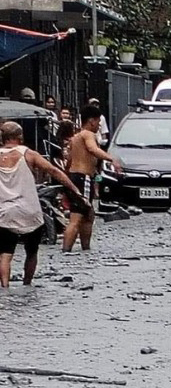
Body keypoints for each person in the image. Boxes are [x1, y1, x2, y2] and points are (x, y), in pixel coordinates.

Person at [0, 121, 82, 288]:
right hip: (29, 212)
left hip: (4, 213)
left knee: (5, 254)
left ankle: (5, 288)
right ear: (20, 137)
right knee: (32, 252)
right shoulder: (29, 154)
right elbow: (54, 171)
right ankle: (27, 284)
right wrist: (75, 190)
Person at [63, 104, 121, 252]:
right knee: (77, 217)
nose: (99, 125)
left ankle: (85, 249)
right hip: (83, 178)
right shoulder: (88, 135)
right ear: (91, 121)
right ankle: (67, 250)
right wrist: (111, 159)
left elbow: (69, 161)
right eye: (98, 121)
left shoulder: (75, 137)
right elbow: (93, 149)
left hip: (75, 177)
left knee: (88, 214)